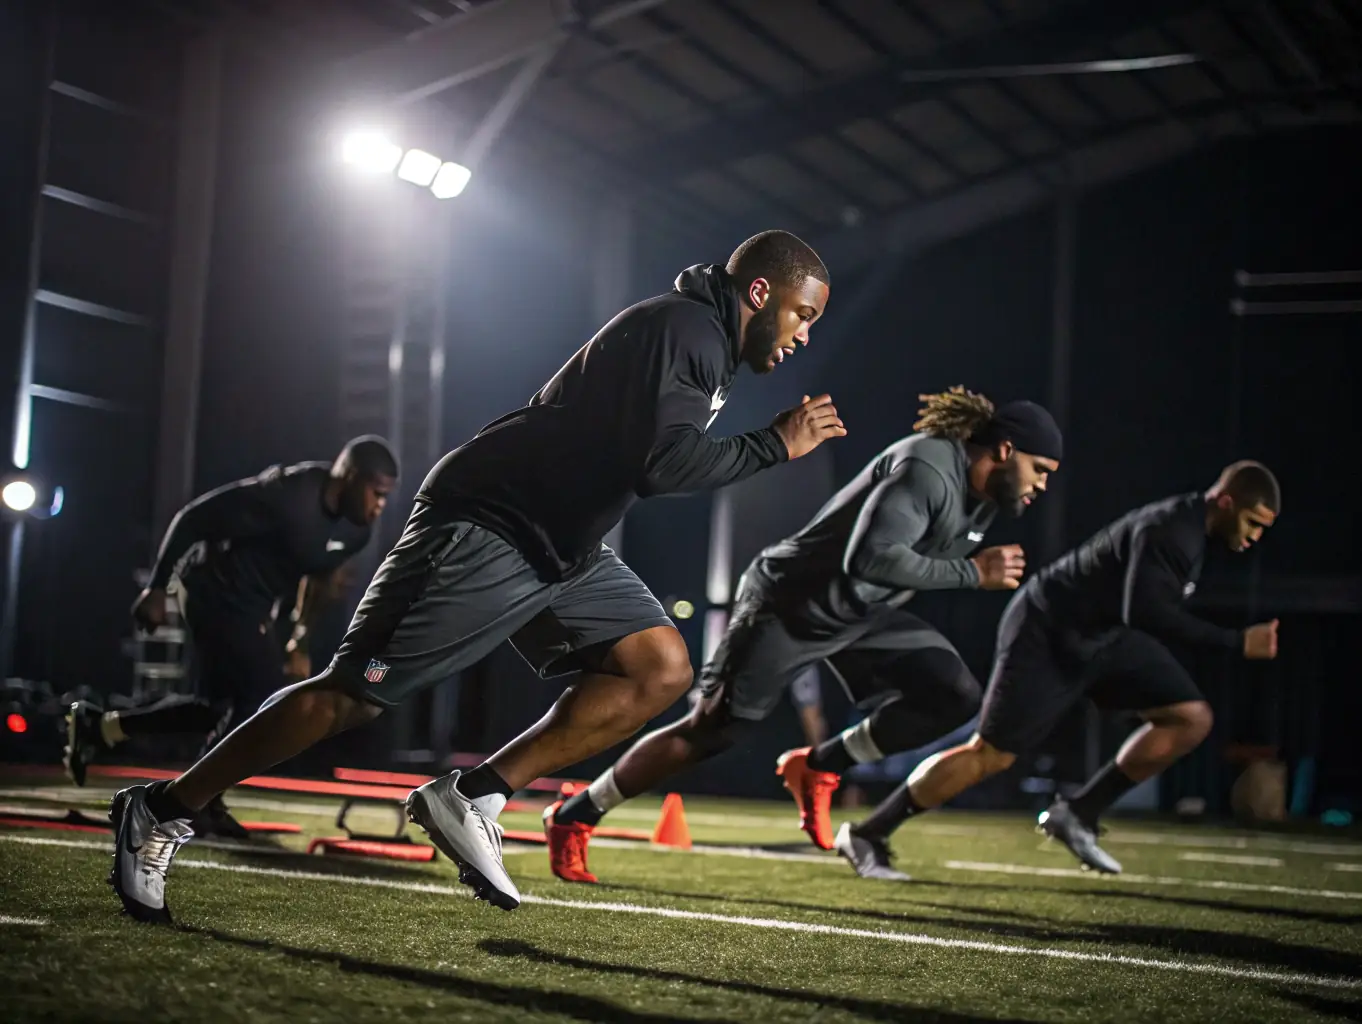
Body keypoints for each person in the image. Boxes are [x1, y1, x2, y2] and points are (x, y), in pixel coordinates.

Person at [108, 229, 844, 923]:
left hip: (561, 543)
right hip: (491, 521)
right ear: (757, 293)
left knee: (656, 667)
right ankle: (164, 807)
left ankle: (474, 795)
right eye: (800, 314)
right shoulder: (686, 331)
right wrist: (773, 446)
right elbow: (659, 464)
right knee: (350, 699)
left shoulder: (703, 340)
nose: (803, 334)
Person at [545, 387, 1062, 883]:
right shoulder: (928, 466)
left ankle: (820, 766)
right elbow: (873, 556)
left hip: (859, 614)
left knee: (954, 695)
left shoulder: (989, 498)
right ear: (1005, 449)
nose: (1041, 485)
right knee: (709, 732)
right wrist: (975, 574)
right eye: (1039, 471)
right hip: (789, 605)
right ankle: (576, 813)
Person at [838, 461, 1281, 879]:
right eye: (1253, 523)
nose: (1256, 537)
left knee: (1190, 717)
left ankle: (1078, 812)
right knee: (990, 755)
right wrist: (1236, 641)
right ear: (1226, 502)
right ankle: (867, 834)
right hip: (1046, 630)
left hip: (1101, 638)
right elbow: (1147, 613)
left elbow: (1137, 614)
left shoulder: (1195, 535)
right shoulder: (1171, 529)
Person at [66, 438, 396, 832]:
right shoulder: (287, 496)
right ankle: (196, 799)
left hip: (253, 608)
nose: (380, 506)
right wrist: (156, 587)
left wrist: (299, 638)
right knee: (261, 698)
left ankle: (102, 729)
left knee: (219, 706)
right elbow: (194, 518)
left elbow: (321, 579)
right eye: (376, 493)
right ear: (350, 476)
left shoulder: (356, 530)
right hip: (211, 589)